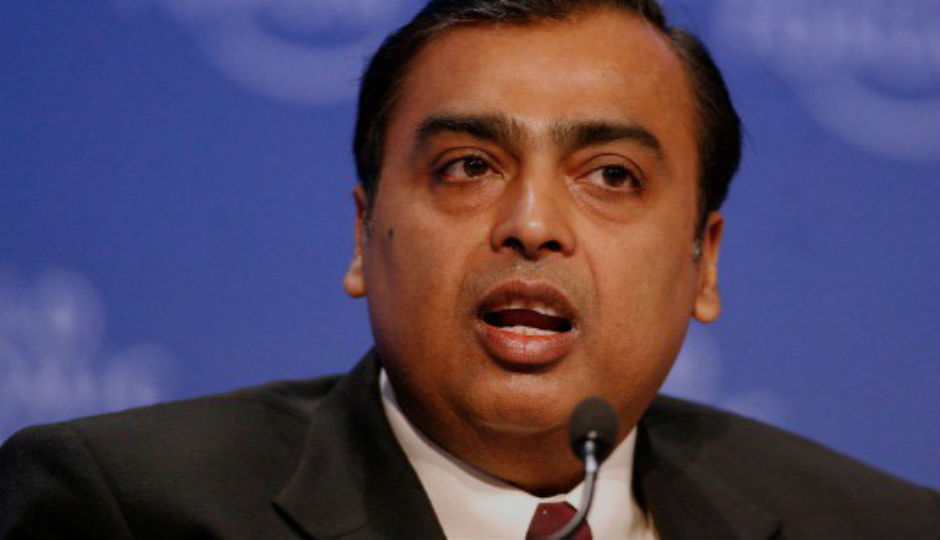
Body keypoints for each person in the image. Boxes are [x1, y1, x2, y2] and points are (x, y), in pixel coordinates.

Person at [1, 0, 937, 538]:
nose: (531, 225)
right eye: (467, 167)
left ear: (705, 263)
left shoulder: (879, 527)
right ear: (363, 235)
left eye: (611, 176)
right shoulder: (128, 509)